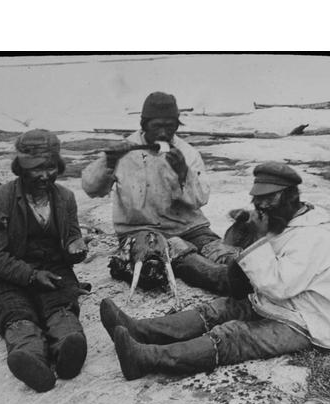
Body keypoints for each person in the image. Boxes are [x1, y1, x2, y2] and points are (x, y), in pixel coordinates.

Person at [99, 163, 330, 381]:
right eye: (259, 201)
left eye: (270, 199)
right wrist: (244, 230)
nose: (263, 207)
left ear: (292, 196)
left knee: (234, 335)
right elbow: (244, 270)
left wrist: (257, 239)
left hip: (312, 320)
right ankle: (139, 331)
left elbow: (279, 286)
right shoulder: (287, 218)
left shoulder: (314, 235)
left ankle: (145, 359)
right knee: (219, 308)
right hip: (285, 304)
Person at [0, 129, 90, 393]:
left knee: (60, 304)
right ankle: (31, 359)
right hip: (3, 272)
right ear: (20, 168)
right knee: (15, 310)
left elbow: (72, 234)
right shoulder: (0, 199)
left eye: (51, 167)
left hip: (53, 268)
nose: (45, 175)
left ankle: (68, 347)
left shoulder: (65, 197)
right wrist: (31, 276)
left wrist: (75, 247)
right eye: (36, 168)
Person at [81, 91, 231, 295]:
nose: (162, 133)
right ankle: (223, 280)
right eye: (156, 127)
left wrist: (183, 172)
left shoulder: (187, 153)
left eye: (169, 127)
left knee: (222, 252)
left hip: (189, 227)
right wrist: (108, 162)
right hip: (139, 229)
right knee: (180, 258)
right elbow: (91, 189)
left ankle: (238, 273)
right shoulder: (125, 151)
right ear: (143, 125)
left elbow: (201, 199)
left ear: (177, 127)